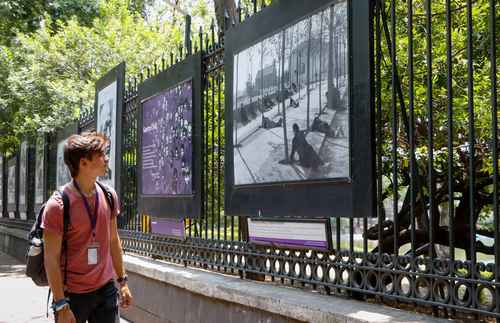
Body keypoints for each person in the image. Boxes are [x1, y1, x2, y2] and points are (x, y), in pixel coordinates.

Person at [42, 132, 133, 323]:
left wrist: (122, 282)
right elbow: (51, 258)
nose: (106, 158)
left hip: (105, 290)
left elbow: (113, 240)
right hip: (72, 296)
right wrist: (60, 304)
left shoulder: (109, 196)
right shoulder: (58, 206)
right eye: (101, 155)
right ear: (83, 163)